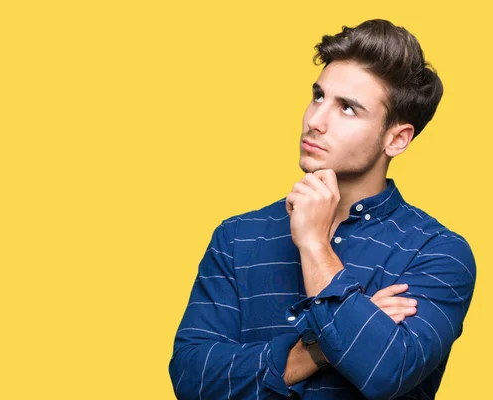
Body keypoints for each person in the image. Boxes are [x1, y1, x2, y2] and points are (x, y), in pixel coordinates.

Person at [168, 19, 476, 400]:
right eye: (318, 96)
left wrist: (315, 245)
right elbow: (191, 378)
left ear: (396, 139)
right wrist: (319, 348)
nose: (315, 121)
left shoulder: (437, 253)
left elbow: (385, 371)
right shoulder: (237, 237)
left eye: (347, 108)